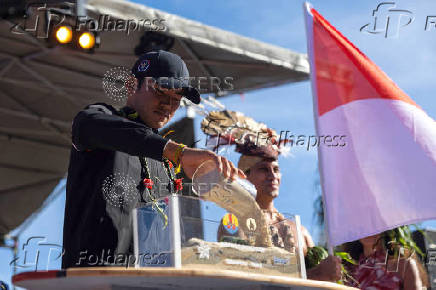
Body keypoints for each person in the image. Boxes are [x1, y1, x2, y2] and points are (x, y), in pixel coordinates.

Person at [62, 50, 245, 269]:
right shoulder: (100, 119)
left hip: (150, 280)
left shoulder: (166, 163)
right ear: (131, 85)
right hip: (91, 278)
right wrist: (179, 153)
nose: (168, 105)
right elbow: (91, 126)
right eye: (160, 92)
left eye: (177, 99)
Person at [217, 141, 341, 282]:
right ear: (244, 177)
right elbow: (242, 276)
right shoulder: (234, 223)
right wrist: (316, 274)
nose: (272, 175)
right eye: (263, 169)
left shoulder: (301, 232)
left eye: (276, 170)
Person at [341, 231, 428, 289]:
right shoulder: (346, 272)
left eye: (374, 223)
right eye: (362, 225)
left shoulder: (404, 265)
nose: (368, 230)